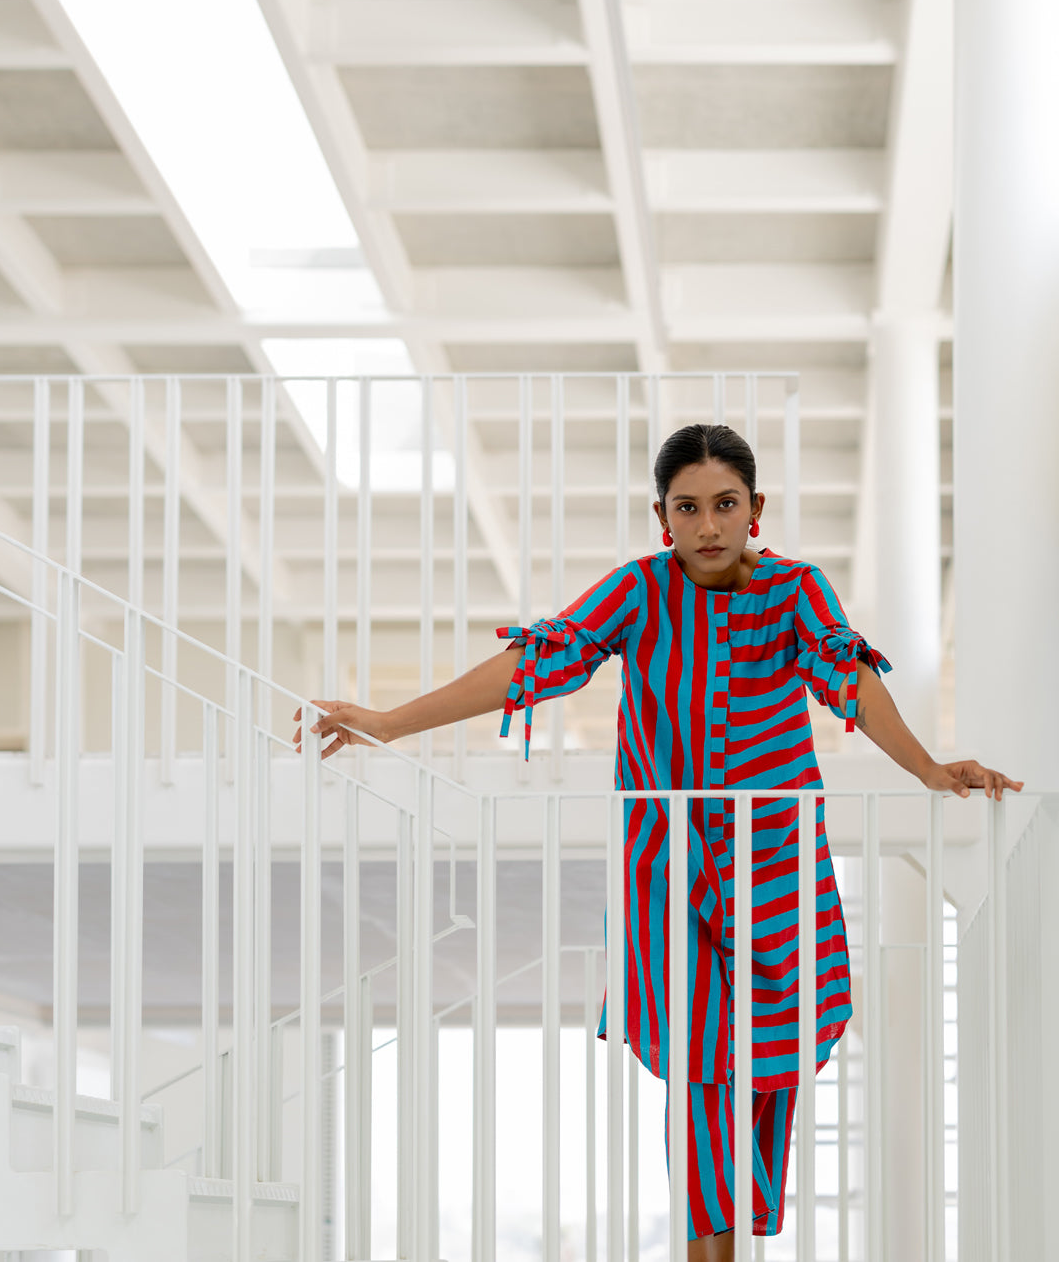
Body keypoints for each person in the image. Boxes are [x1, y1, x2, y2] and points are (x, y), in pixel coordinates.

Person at [295, 422, 1022, 1260]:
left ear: (756, 511)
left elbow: (848, 677)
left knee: (770, 1054)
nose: (707, 526)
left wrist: (929, 770)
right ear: (661, 514)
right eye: (688, 508)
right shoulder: (638, 590)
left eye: (724, 505)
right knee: (700, 1070)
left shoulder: (797, 592)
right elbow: (535, 663)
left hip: (775, 863)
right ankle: (708, 1245)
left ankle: (733, 1226)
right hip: (664, 871)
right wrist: (388, 722)